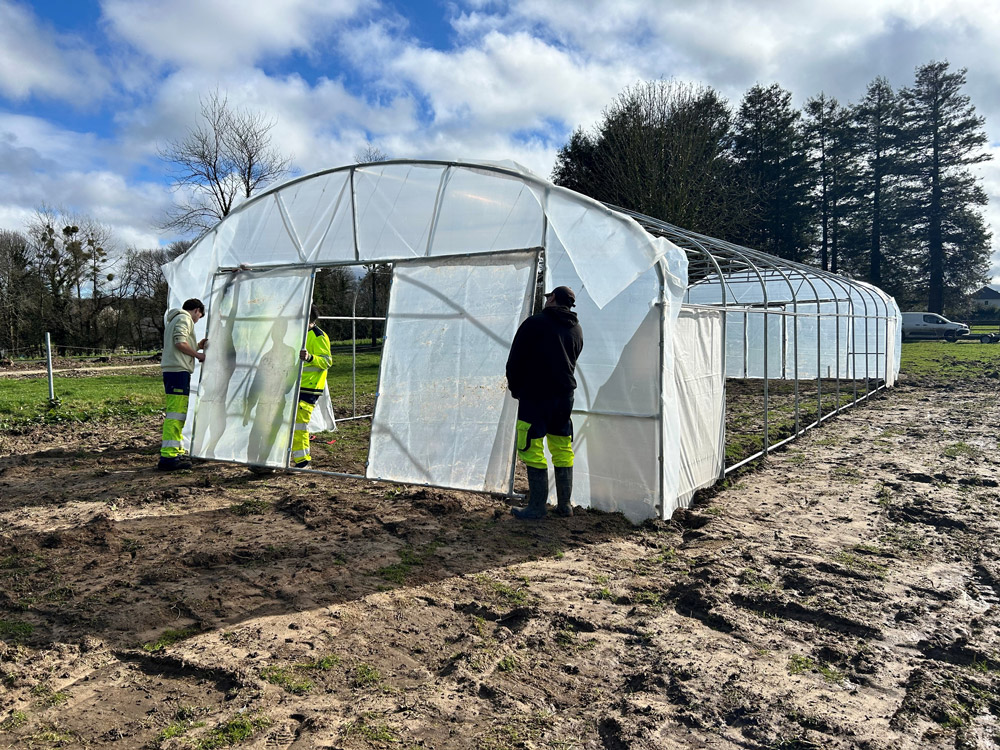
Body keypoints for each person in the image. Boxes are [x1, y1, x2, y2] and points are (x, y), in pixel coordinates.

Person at [505, 286, 584, 519]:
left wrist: (516, 388)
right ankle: (565, 505)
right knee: (562, 446)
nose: (546, 298)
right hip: (564, 396)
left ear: (553, 299)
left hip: (536, 395)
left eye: (549, 296)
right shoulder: (577, 328)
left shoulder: (535, 323)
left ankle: (537, 507)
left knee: (531, 446)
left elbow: (515, 359)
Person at [158, 298, 207, 471]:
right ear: (196, 310)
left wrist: (197, 346)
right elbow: (180, 343)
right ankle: (169, 458)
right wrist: (198, 355)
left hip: (174, 372)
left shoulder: (175, 319)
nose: (198, 320)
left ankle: (175, 451)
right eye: (199, 316)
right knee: (175, 414)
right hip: (178, 372)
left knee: (178, 413)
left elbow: (180, 341)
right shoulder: (184, 318)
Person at [292, 305, 333, 468]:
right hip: (293, 385)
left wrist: (310, 357)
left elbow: (327, 361)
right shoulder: (297, 334)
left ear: (309, 321)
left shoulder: (318, 336)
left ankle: (303, 461)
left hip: (310, 387)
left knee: (299, 423)